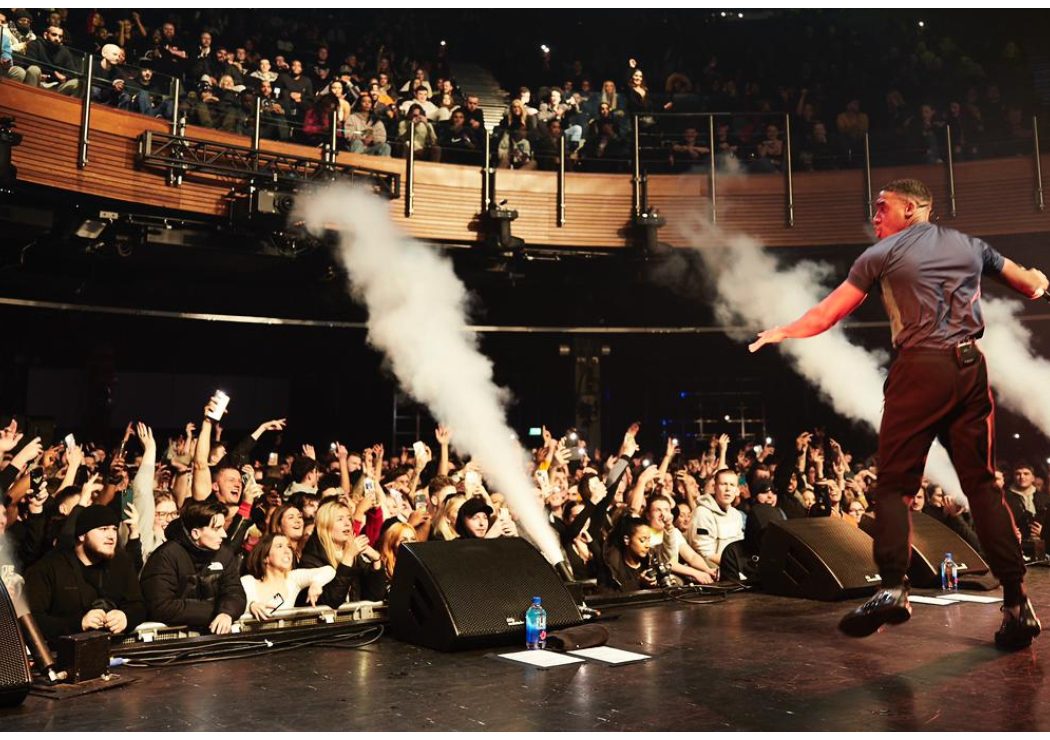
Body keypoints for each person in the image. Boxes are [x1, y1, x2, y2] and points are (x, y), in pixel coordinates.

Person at [750, 177, 1048, 650]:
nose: (874, 216)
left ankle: (892, 587)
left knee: (894, 485)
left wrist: (784, 331)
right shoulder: (973, 246)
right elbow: (1030, 286)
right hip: (970, 367)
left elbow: (827, 314)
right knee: (982, 486)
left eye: (881, 207)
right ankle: (1016, 602)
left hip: (920, 370)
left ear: (910, 208)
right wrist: (1039, 280)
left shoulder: (880, 255)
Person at [25, 504, 146, 642]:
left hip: (115, 649)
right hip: (63, 652)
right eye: (103, 529)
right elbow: (33, 620)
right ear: (82, 535)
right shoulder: (49, 567)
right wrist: (80, 623)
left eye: (114, 529)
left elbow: (138, 605)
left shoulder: (121, 562)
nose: (111, 536)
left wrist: (126, 618)